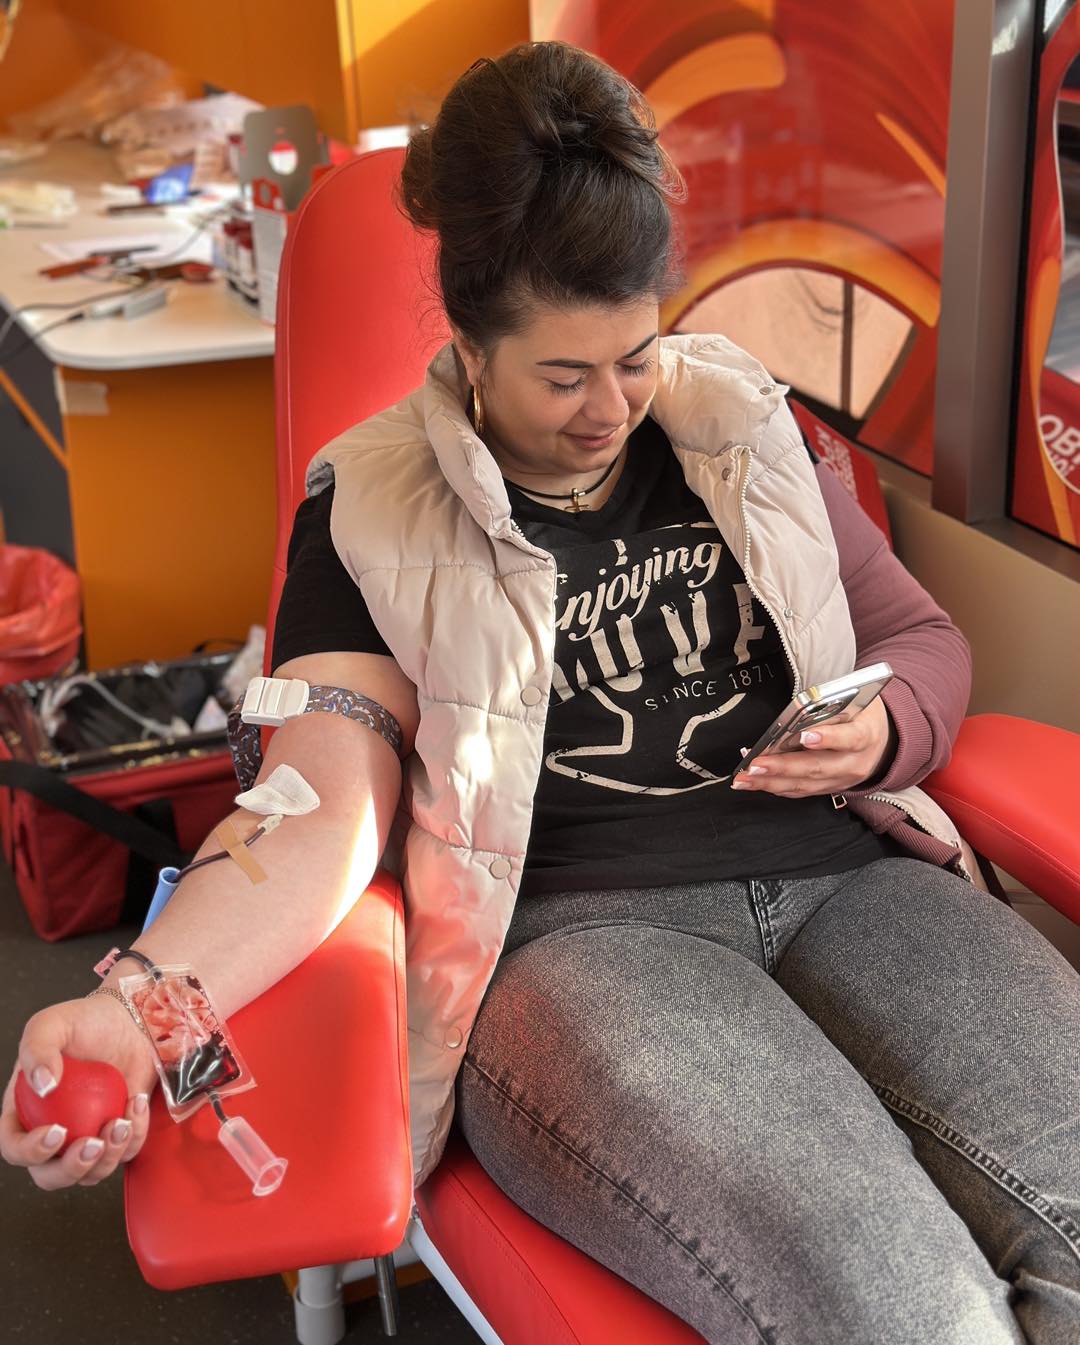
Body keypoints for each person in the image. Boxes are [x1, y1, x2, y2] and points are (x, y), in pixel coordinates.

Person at [3, 40, 1079, 1344]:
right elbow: (313, 819)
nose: (609, 409)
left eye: (635, 356)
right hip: (587, 945)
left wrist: (886, 723)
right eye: (562, 377)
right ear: (469, 344)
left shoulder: (744, 426)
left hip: (853, 881)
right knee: (914, 1312)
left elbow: (919, 637)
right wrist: (137, 1003)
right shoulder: (371, 511)